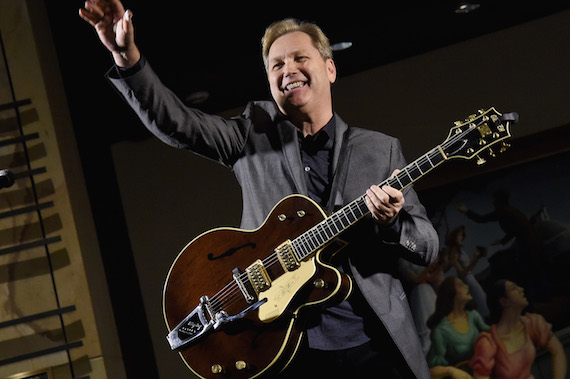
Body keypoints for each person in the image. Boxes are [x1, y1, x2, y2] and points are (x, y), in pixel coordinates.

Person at [79, 1, 439, 377]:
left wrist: (392, 223)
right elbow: (177, 122)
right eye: (276, 65)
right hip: (284, 346)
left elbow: (427, 245)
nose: (289, 70)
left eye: (300, 58)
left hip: (372, 341)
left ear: (330, 68)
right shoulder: (250, 135)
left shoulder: (380, 149)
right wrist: (126, 56)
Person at [470, 280, 567, 379]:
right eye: (514, 288)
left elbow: (557, 350)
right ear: (504, 301)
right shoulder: (488, 342)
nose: (521, 289)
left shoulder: (531, 323)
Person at [426, 276, 489, 379]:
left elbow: (491, 332)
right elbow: (431, 371)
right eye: (460, 285)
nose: (467, 287)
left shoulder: (473, 315)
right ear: (451, 293)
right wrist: (451, 371)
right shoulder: (441, 330)